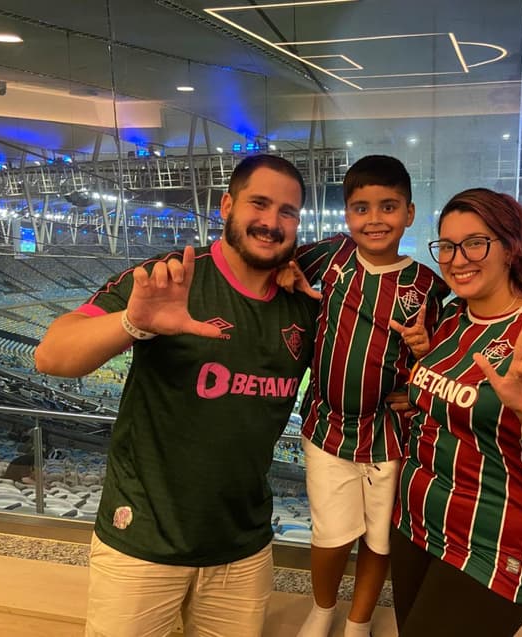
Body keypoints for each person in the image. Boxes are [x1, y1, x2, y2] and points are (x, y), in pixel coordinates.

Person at [34, 154, 319, 637]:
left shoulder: (304, 302)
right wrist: (133, 324)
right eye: (259, 204)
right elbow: (52, 356)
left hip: (243, 548)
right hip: (140, 539)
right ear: (227, 205)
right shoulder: (170, 278)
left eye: (287, 212)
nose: (271, 223)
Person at [390, 188, 522, 637]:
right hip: (415, 523)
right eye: (446, 245)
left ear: (511, 248)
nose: (457, 258)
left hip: (491, 544)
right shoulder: (451, 319)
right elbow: (457, 406)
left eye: (475, 242)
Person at [291, 155, 449, 637]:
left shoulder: (426, 284)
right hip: (327, 428)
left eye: (388, 206)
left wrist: (420, 368)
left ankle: (358, 622)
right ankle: (322, 611)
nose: (374, 219)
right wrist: (287, 276)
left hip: (390, 435)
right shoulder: (333, 256)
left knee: (378, 541)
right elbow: (279, 263)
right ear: (347, 215)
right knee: (331, 535)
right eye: (361, 208)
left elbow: (441, 357)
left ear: (409, 213)